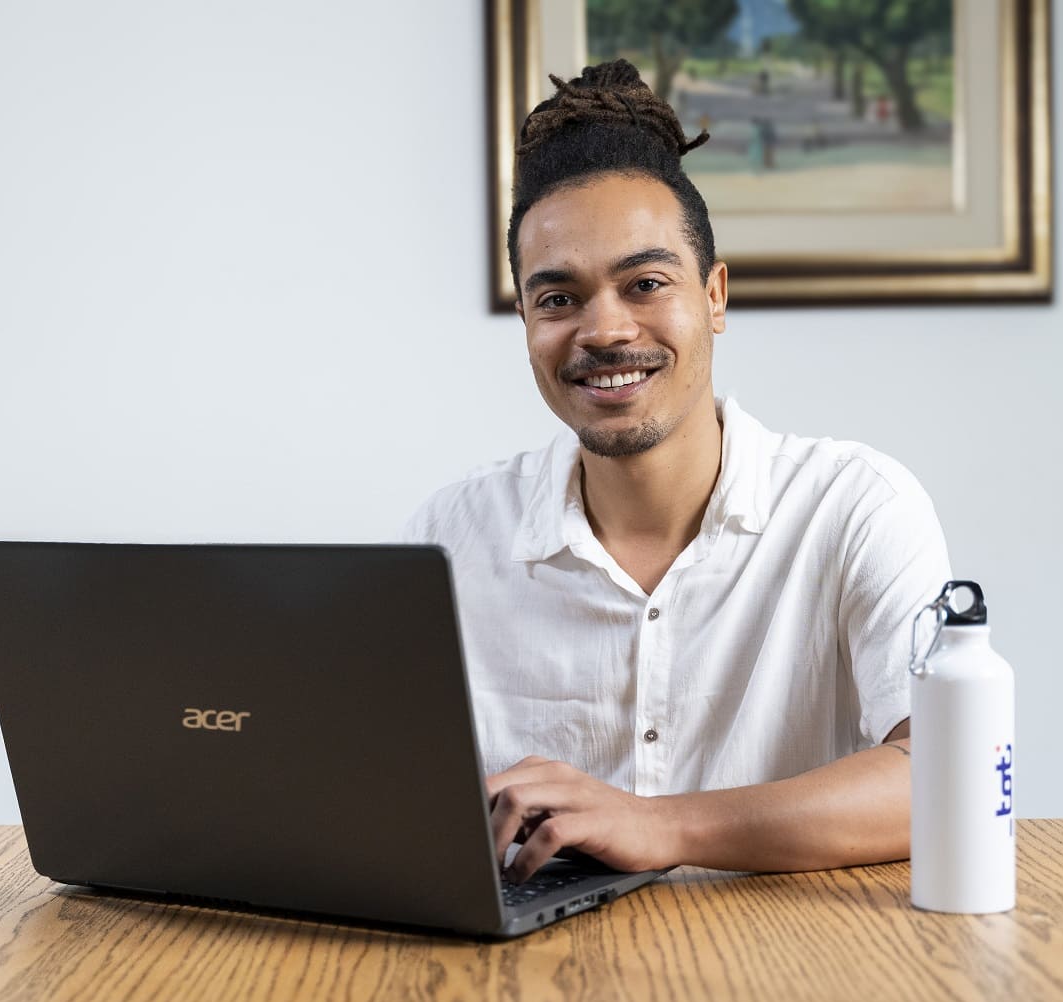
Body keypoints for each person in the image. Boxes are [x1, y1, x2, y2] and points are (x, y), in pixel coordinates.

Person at [400, 60, 951, 884]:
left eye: (646, 283)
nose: (605, 329)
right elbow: (393, 800)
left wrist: (664, 827)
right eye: (558, 299)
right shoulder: (448, 537)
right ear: (524, 318)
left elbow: (951, 773)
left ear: (715, 296)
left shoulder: (856, 507)